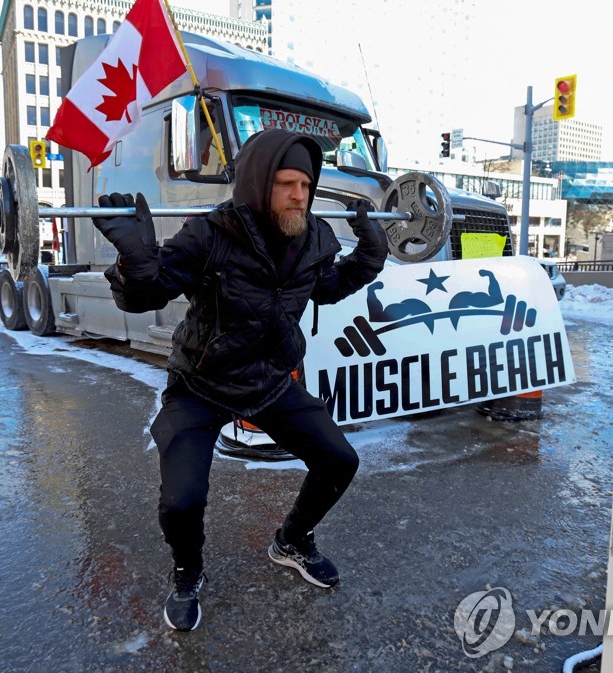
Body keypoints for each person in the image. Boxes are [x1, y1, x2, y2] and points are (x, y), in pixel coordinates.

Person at [92, 128, 389, 632]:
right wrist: (136, 262)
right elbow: (147, 295)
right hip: (202, 382)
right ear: (257, 184)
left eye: (306, 185)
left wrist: (369, 255)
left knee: (339, 460)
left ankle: (292, 540)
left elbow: (329, 288)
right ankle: (188, 573)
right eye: (287, 184)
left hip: (269, 378)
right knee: (181, 500)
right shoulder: (210, 234)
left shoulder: (314, 235)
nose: (300, 195)